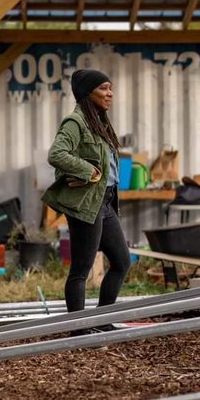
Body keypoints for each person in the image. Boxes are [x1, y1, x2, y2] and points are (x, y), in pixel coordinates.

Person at [42, 68, 131, 322]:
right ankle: (79, 329)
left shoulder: (99, 123)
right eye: (103, 88)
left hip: (106, 202)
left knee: (122, 262)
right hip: (86, 203)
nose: (110, 93)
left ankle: (102, 321)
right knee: (81, 269)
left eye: (111, 88)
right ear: (86, 92)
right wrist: (87, 171)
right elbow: (57, 154)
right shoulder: (76, 122)